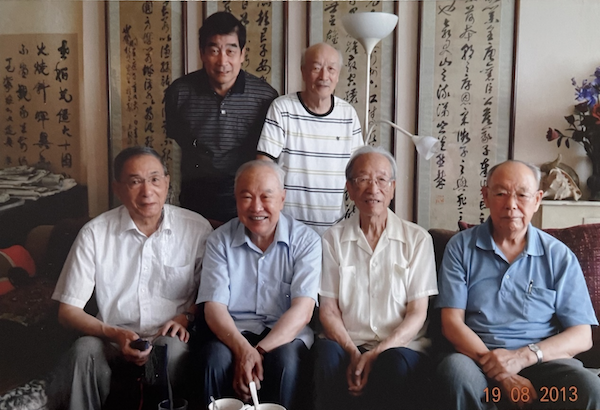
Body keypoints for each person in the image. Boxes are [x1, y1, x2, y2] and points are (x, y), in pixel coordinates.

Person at [47, 147, 213, 410]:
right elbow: (67, 311)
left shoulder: (196, 229)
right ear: (118, 188)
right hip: (110, 339)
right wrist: (114, 333)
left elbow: (210, 296)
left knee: (170, 349)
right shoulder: (95, 233)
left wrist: (187, 316)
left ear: (167, 182)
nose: (147, 191)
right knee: (84, 351)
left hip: (166, 337)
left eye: (155, 179)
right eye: (135, 181)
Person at [436, 160, 600, 410]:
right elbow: (451, 323)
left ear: (537, 199)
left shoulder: (558, 255)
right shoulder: (460, 248)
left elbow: (581, 335)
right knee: (454, 374)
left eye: (522, 194)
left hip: (541, 361)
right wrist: (502, 373)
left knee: (589, 389)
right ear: (486, 196)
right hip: (476, 359)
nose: (511, 204)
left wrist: (523, 357)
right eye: (500, 193)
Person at [313, 146, 439, 410]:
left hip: (400, 346)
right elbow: (328, 309)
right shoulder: (332, 239)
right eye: (362, 179)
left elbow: (417, 313)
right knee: (324, 355)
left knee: (392, 363)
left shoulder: (417, 240)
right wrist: (353, 352)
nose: (373, 189)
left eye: (381, 180)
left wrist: (376, 354)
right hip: (346, 342)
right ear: (349, 188)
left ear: (392, 188)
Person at [194, 160, 321, 409]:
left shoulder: (306, 241)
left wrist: (258, 352)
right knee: (213, 360)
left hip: (285, 336)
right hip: (233, 332)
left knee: (286, 362)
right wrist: (243, 349)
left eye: (266, 197)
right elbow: (214, 308)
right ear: (236, 199)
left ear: (282, 199)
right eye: (247, 197)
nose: (257, 207)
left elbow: (303, 311)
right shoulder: (219, 240)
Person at [165, 11, 278, 229]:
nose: (222, 60)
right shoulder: (179, 93)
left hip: (246, 202)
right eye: (214, 50)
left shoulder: (264, 97)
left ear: (243, 54)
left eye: (230, 50)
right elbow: (180, 140)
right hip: (194, 199)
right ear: (202, 53)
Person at [257, 42, 363, 235]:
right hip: (287, 229)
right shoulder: (282, 108)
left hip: (334, 230)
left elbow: (359, 170)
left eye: (331, 69)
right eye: (316, 68)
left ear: (338, 75)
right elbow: (264, 165)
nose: (324, 76)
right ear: (303, 72)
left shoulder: (348, 114)